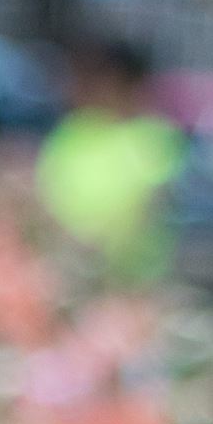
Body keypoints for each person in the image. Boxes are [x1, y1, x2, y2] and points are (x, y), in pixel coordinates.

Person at [36, 38, 184, 279]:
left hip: (128, 275)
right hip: (67, 267)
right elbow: (46, 195)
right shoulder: (73, 131)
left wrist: (102, 243)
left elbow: (153, 205)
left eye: (99, 78)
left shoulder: (152, 136)